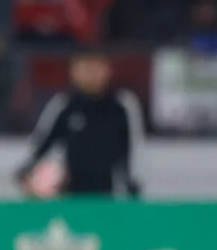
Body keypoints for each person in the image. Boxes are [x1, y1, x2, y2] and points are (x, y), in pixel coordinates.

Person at [15, 50, 145, 197]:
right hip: (69, 196)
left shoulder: (123, 104)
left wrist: (133, 186)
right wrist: (29, 172)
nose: (91, 73)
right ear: (73, 71)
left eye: (96, 66)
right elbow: (41, 145)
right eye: (85, 67)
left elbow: (135, 148)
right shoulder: (63, 104)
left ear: (108, 69)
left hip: (112, 197)